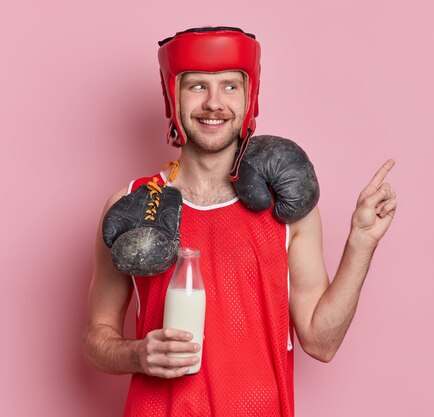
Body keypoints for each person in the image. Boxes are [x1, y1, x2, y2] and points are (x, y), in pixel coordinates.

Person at [82, 26, 397, 417]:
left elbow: (321, 342)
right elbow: (98, 339)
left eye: (230, 86)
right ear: (172, 95)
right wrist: (138, 354)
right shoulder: (132, 204)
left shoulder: (287, 209)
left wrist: (361, 243)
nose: (214, 103)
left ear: (250, 98)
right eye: (197, 86)